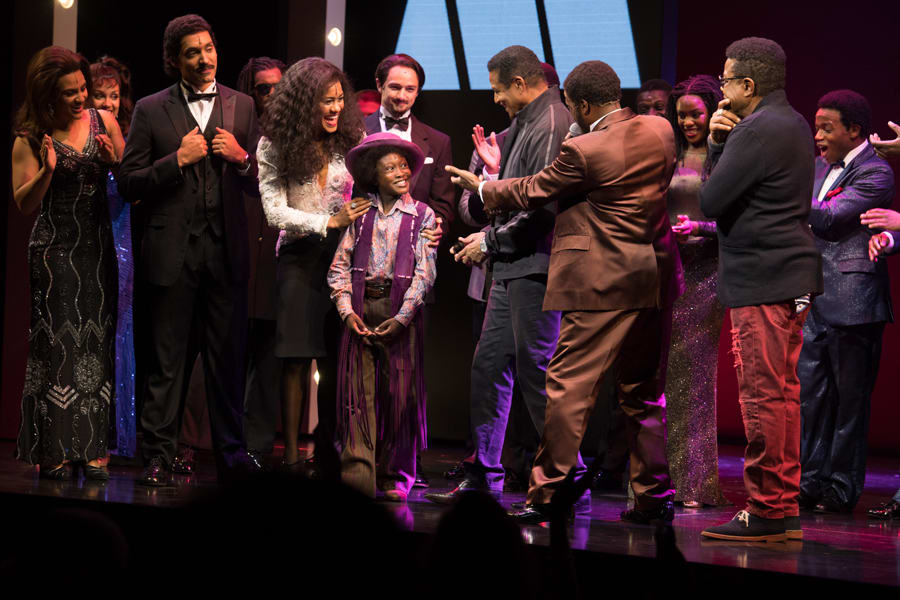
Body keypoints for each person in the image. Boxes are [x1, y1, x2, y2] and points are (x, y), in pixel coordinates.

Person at [448, 59, 682, 524]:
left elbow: (537, 188)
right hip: (652, 277)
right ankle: (655, 496)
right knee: (641, 391)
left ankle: (548, 493)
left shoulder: (584, 149)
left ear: (581, 104)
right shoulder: (661, 130)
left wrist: (487, 187)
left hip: (601, 282)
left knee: (568, 388)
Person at [118, 14, 262, 484]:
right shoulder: (150, 108)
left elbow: (267, 181)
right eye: (192, 52)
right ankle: (157, 456)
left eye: (209, 48)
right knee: (167, 362)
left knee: (227, 361)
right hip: (171, 253)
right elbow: (127, 181)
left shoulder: (242, 106)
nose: (204, 58)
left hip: (225, 254)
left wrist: (241, 159)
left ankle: (231, 455)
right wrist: (175, 161)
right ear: (174, 61)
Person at [426, 46, 569, 503]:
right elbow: (504, 200)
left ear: (521, 84)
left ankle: (567, 479)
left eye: (498, 89)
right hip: (511, 267)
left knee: (539, 375)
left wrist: (488, 242)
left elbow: (543, 205)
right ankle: (485, 477)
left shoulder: (551, 123)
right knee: (489, 369)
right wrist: (488, 221)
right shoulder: (522, 125)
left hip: (536, 266)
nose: (495, 99)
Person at [699, 37, 823, 542]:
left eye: (726, 81)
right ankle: (782, 507)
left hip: (763, 279)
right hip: (789, 276)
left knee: (762, 398)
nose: (722, 91)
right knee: (783, 397)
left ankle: (766, 509)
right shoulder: (792, 122)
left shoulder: (753, 130)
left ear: (747, 84)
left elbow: (709, 199)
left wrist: (715, 141)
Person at [13, 46, 125, 479]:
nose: (81, 99)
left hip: (96, 249)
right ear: (47, 97)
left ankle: (93, 444)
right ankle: (55, 446)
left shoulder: (104, 122)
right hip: (53, 249)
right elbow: (24, 204)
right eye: (70, 93)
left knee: (95, 340)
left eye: (83, 89)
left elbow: (125, 180)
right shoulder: (29, 136)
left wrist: (113, 164)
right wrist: (46, 170)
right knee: (58, 344)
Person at [257, 57, 369, 470]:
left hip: (343, 258)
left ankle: (328, 452)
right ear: (306, 103)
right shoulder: (275, 143)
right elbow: (273, 211)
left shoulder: (352, 137)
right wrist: (328, 220)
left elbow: (370, 190)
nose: (336, 108)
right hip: (299, 257)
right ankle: (288, 455)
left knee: (335, 359)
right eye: (327, 101)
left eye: (340, 100)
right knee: (295, 357)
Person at [797, 90, 894, 514]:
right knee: (812, 397)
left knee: (850, 402)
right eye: (816, 126)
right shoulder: (817, 168)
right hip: (814, 296)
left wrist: (783, 194)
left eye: (826, 127)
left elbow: (833, 219)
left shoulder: (877, 172)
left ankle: (840, 487)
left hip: (855, 300)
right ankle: (809, 480)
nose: (817, 135)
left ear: (853, 130)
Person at [328, 132, 437, 501]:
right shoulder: (360, 214)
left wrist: (403, 317)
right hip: (361, 307)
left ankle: (394, 475)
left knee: (399, 394)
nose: (400, 172)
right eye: (389, 167)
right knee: (358, 394)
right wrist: (346, 312)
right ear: (374, 176)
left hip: (399, 309)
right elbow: (339, 267)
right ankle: (358, 475)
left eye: (404, 165)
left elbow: (425, 272)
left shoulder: (423, 215)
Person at [365, 53, 453, 487]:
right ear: (379, 84)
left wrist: (436, 227)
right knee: (358, 375)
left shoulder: (436, 140)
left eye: (410, 89)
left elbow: (444, 206)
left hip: (412, 276)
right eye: (395, 87)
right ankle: (357, 464)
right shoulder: (354, 130)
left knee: (404, 378)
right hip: (362, 271)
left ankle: (399, 467)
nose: (402, 96)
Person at [663, 75, 729, 508]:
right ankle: (658, 482)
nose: (688, 122)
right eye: (682, 115)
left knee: (694, 379)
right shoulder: (669, 154)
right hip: (667, 272)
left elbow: (740, 221)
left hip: (706, 273)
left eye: (696, 114)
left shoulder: (724, 159)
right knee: (663, 378)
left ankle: (694, 484)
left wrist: (700, 229)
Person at [235, 56, 285, 461]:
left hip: (274, 257)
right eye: (262, 88)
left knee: (269, 358)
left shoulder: (293, 136)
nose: (270, 95)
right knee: (231, 354)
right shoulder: (236, 130)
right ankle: (226, 441)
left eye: (276, 87)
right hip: (236, 255)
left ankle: (259, 443)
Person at [89, 55, 137, 459]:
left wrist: (115, 158)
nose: (108, 102)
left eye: (115, 95)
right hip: (86, 235)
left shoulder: (128, 132)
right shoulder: (81, 131)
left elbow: (132, 187)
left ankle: (117, 431)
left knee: (118, 328)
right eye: (100, 95)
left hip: (121, 237)